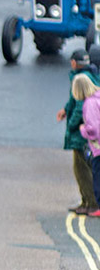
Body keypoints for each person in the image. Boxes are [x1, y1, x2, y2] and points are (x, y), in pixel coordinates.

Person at [58, 51, 100, 214]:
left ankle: (90, 202)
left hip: (85, 137)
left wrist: (74, 127)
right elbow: (73, 102)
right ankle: (88, 200)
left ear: (75, 63)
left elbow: (78, 107)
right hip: (91, 140)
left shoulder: (81, 81)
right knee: (88, 167)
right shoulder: (90, 76)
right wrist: (65, 109)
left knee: (81, 168)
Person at [77, 73, 100, 217]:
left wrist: (82, 130)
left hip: (98, 148)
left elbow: (94, 129)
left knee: (97, 176)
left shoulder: (89, 103)